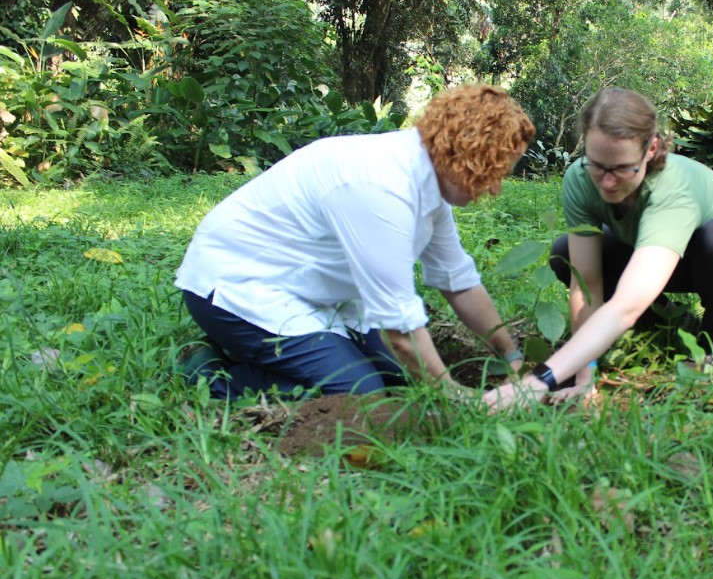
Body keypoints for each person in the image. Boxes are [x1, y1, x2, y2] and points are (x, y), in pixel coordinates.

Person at [175, 83, 535, 400]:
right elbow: (401, 330)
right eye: (493, 171)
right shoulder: (379, 187)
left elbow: (458, 281)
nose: (493, 188)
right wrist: (458, 398)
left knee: (396, 373)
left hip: (311, 290)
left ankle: (279, 354)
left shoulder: (429, 181)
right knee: (358, 392)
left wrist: (512, 356)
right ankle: (209, 375)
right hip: (241, 286)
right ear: (464, 155)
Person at [483, 87, 713, 410]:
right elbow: (586, 283)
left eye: (622, 168)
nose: (608, 182)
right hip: (674, 259)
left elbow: (625, 304)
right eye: (597, 165)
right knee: (566, 253)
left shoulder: (672, 187)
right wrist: (585, 377)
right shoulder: (579, 179)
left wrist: (538, 381)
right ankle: (670, 318)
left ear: (651, 149)